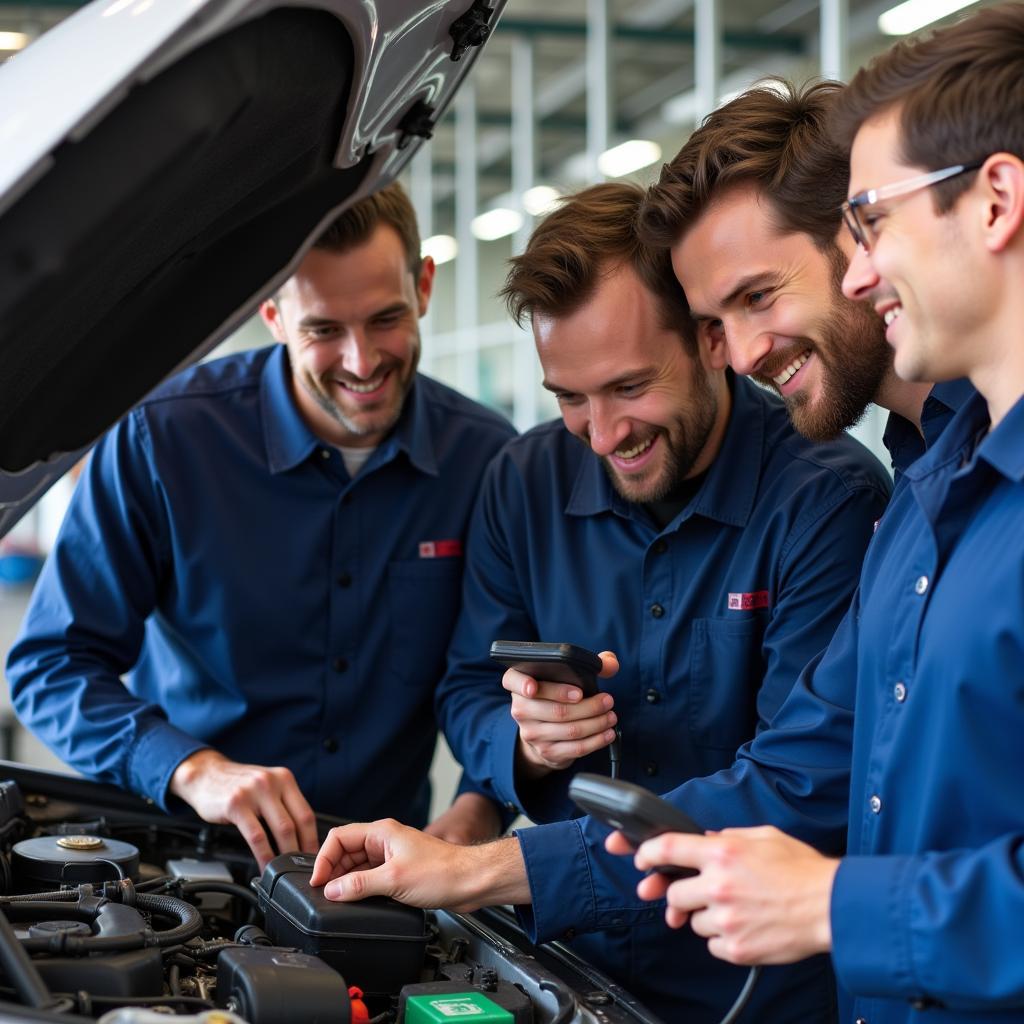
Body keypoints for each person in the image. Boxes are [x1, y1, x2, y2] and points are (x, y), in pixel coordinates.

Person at [317, 181, 892, 1022]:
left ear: (709, 340)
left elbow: (797, 788)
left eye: (629, 387)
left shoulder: (825, 499)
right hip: (553, 963)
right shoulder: (523, 480)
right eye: (569, 397)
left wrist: (487, 871)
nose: (602, 434)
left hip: (747, 986)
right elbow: (467, 689)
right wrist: (521, 747)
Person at [605, 9, 1024, 1024]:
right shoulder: (925, 503)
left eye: (871, 224)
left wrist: (839, 903)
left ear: (997, 199)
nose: (859, 270)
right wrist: (482, 868)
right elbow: (806, 772)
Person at [5, 184, 515, 869]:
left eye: (385, 319)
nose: (362, 361)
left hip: (389, 877)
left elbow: (495, 680)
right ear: (271, 311)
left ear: (423, 286)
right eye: (324, 330)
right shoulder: (162, 441)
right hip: (181, 857)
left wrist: (478, 808)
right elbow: (51, 667)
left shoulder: (487, 460)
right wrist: (193, 768)